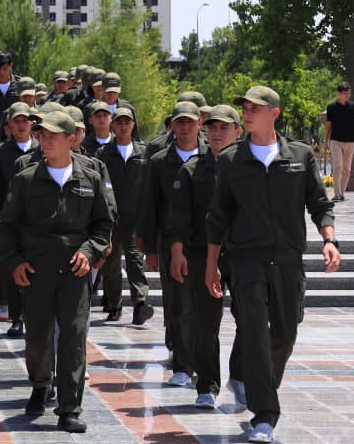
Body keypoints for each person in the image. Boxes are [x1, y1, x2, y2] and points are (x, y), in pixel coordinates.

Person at [206, 86, 339, 444]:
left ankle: (259, 382)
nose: (247, 113)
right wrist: (211, 264)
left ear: (274, 113)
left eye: (255, 108)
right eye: (245, 108)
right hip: (246, 261)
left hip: (287, 262)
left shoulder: (299, 155)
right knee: (252, 332)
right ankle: (265, 414)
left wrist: (329, 239)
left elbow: (318, 202)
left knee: (285, 331)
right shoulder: (231, 161)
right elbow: (218, 217)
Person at [0, 111, 113, 433]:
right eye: (42, 135)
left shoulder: (89, 177)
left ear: (71, 140)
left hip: (75, 271)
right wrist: (14, 262)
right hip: (37, 270)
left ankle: (69, 408)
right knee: (38, 336)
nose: (44, 140)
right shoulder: (26, 179)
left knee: (74, 336)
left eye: (52, 135)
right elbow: (7, 226)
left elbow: (103, 224)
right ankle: (40, 383)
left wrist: (90, 252)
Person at [169, 105, 244, 409]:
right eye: (211, 128)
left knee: (249, 320)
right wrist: (177, 251)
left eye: (223, 128)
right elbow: (178, 216)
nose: (215, 133)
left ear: (238, 132)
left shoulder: (247, 168)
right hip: (201, 254)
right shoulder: (191, 170)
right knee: (205, 322)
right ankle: (207, 384)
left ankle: (238, 375)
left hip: (241, 254)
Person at [141, 101, 202, 382]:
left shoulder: (215, 157)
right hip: (170, 243)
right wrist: (151, 250)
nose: (186, 127)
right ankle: (181, 364)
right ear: (172, 125)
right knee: (178, 303)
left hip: (207, 242)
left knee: (203, 306)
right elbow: (150, 206)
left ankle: (202, 360)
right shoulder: (158, 161)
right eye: (180, 122)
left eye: (191, 121)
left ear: (199, 123)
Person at [0, 102, 38, 335]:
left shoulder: (42, 149)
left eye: (25, 120)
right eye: (16, 120)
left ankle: (33, 315)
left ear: (32, 123)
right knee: (12, 269)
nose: (21, 124)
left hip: (36, 221)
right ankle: (17, 317)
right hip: (10, 221)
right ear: (9, 125)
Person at [95, 106, 149, 323]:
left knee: (136, 260)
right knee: (111, 264)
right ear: (113, 125)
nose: (123, 126)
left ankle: (140, 303)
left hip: (136, 217)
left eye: (127, 123)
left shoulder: (144, 152)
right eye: (119, 123)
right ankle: (114, 303)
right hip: (111, 217)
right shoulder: (102, 153)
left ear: (133, 125)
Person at [324, 82, 354, 202]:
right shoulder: (332, 107)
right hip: (335, 141)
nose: (347, 95)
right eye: (345, 93)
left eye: (349, 93)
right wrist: (325, 141)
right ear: (339, 94)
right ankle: (337, 194)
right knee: (337, 166)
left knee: (347, 169)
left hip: (350, 141)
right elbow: (328, 126)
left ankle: (342, 194)